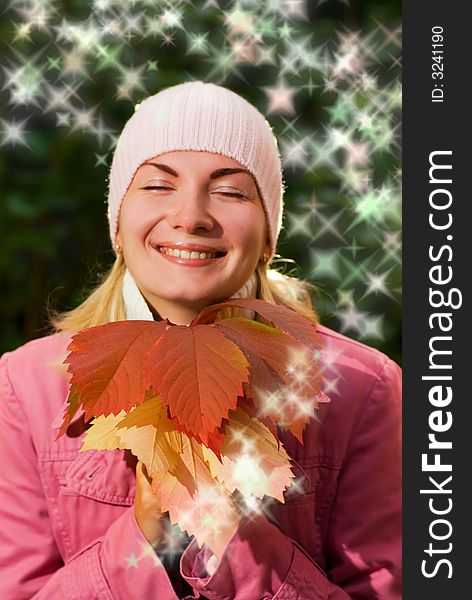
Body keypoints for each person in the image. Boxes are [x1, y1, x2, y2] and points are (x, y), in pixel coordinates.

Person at [0, 81, 401, 599]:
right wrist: (142, 535)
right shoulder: (26, 387)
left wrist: (237, 541)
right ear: (118, 224)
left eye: (231, 190)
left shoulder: (360, 388)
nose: (190, 216)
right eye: (157, 186)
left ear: (268, 236)